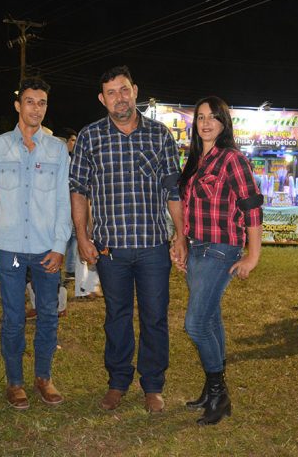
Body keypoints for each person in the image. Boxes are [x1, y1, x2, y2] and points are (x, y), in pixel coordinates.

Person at [69, 65, 186, 414]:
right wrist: (82, 236)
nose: (119, 98)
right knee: (116, 316)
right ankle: (118, 382)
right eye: (111, 93)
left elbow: (173, 190)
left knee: (155, 317)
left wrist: (181, 236)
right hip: (111, 248)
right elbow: (79, 190)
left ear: (135, 91)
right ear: (102, 99)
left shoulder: (160, 135)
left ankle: (153, 385)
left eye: (124, 90)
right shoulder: (90, 137)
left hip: (153, 246)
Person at [174, 96, 263, 426]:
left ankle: (219, 393)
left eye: (213, 117)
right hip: (197, 249)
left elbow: (251, 206)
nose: (206, 123)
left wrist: (253, 255)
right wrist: (181, 243)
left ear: (224, 122)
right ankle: (212, 391)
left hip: (221, 249)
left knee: (195, 324)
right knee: (210, 319)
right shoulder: (195, 160)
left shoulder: (232, 159)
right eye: (200, 117)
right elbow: (188, 209)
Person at [0, 77, 71, 410]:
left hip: (47, 247)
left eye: (42, 103)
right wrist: (8, 212)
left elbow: (63, 200)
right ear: (18, 105)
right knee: (13, 317)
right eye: (30, 101)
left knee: (48, 313)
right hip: (10, 248)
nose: (36, 108)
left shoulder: (57, 149)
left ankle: (43, 378)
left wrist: (60, 246)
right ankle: (15, 382)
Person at [59, 127, 78, 280]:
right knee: (64, 237)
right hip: (61, 205)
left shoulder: (70, 158)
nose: (74, 143)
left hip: (70, 203)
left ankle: (70, 269)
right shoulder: (59, 159)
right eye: (72, 140)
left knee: (73, 236)